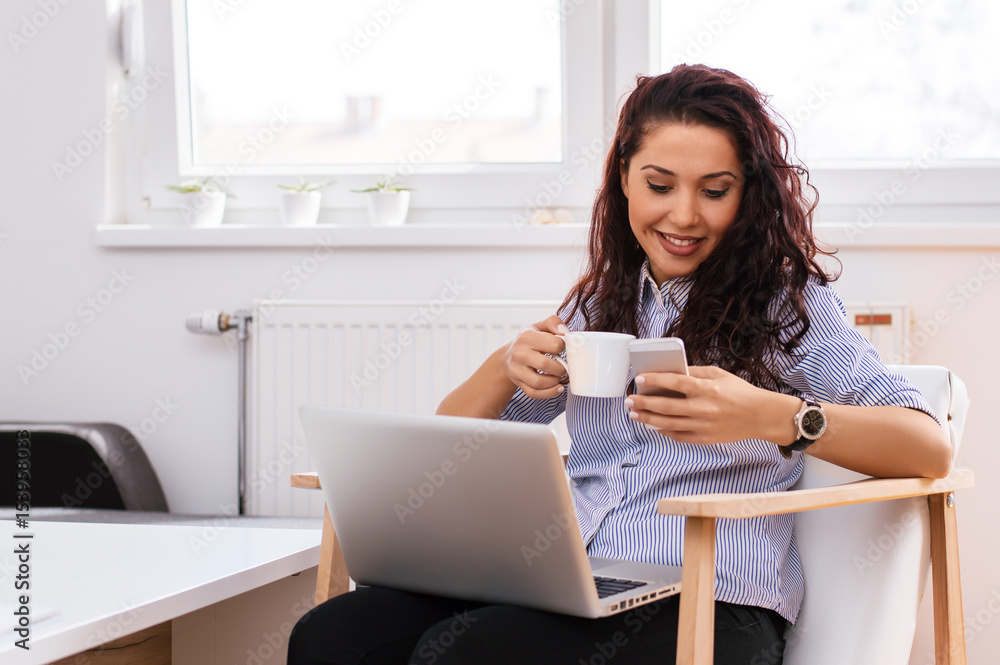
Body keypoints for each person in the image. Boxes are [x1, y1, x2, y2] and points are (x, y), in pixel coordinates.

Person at [287, 64, 952, 665]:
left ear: (747, 194)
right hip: (576, 582)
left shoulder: (788, 303)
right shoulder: (601, 302)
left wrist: (776, 416)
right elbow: (452, 442)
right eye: (659, 185)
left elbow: (928, 444)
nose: (684, 215)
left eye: (714, 191)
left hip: (714, 604)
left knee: (461, 655)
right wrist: (503, 367)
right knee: (331, 636)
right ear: (624, 178)